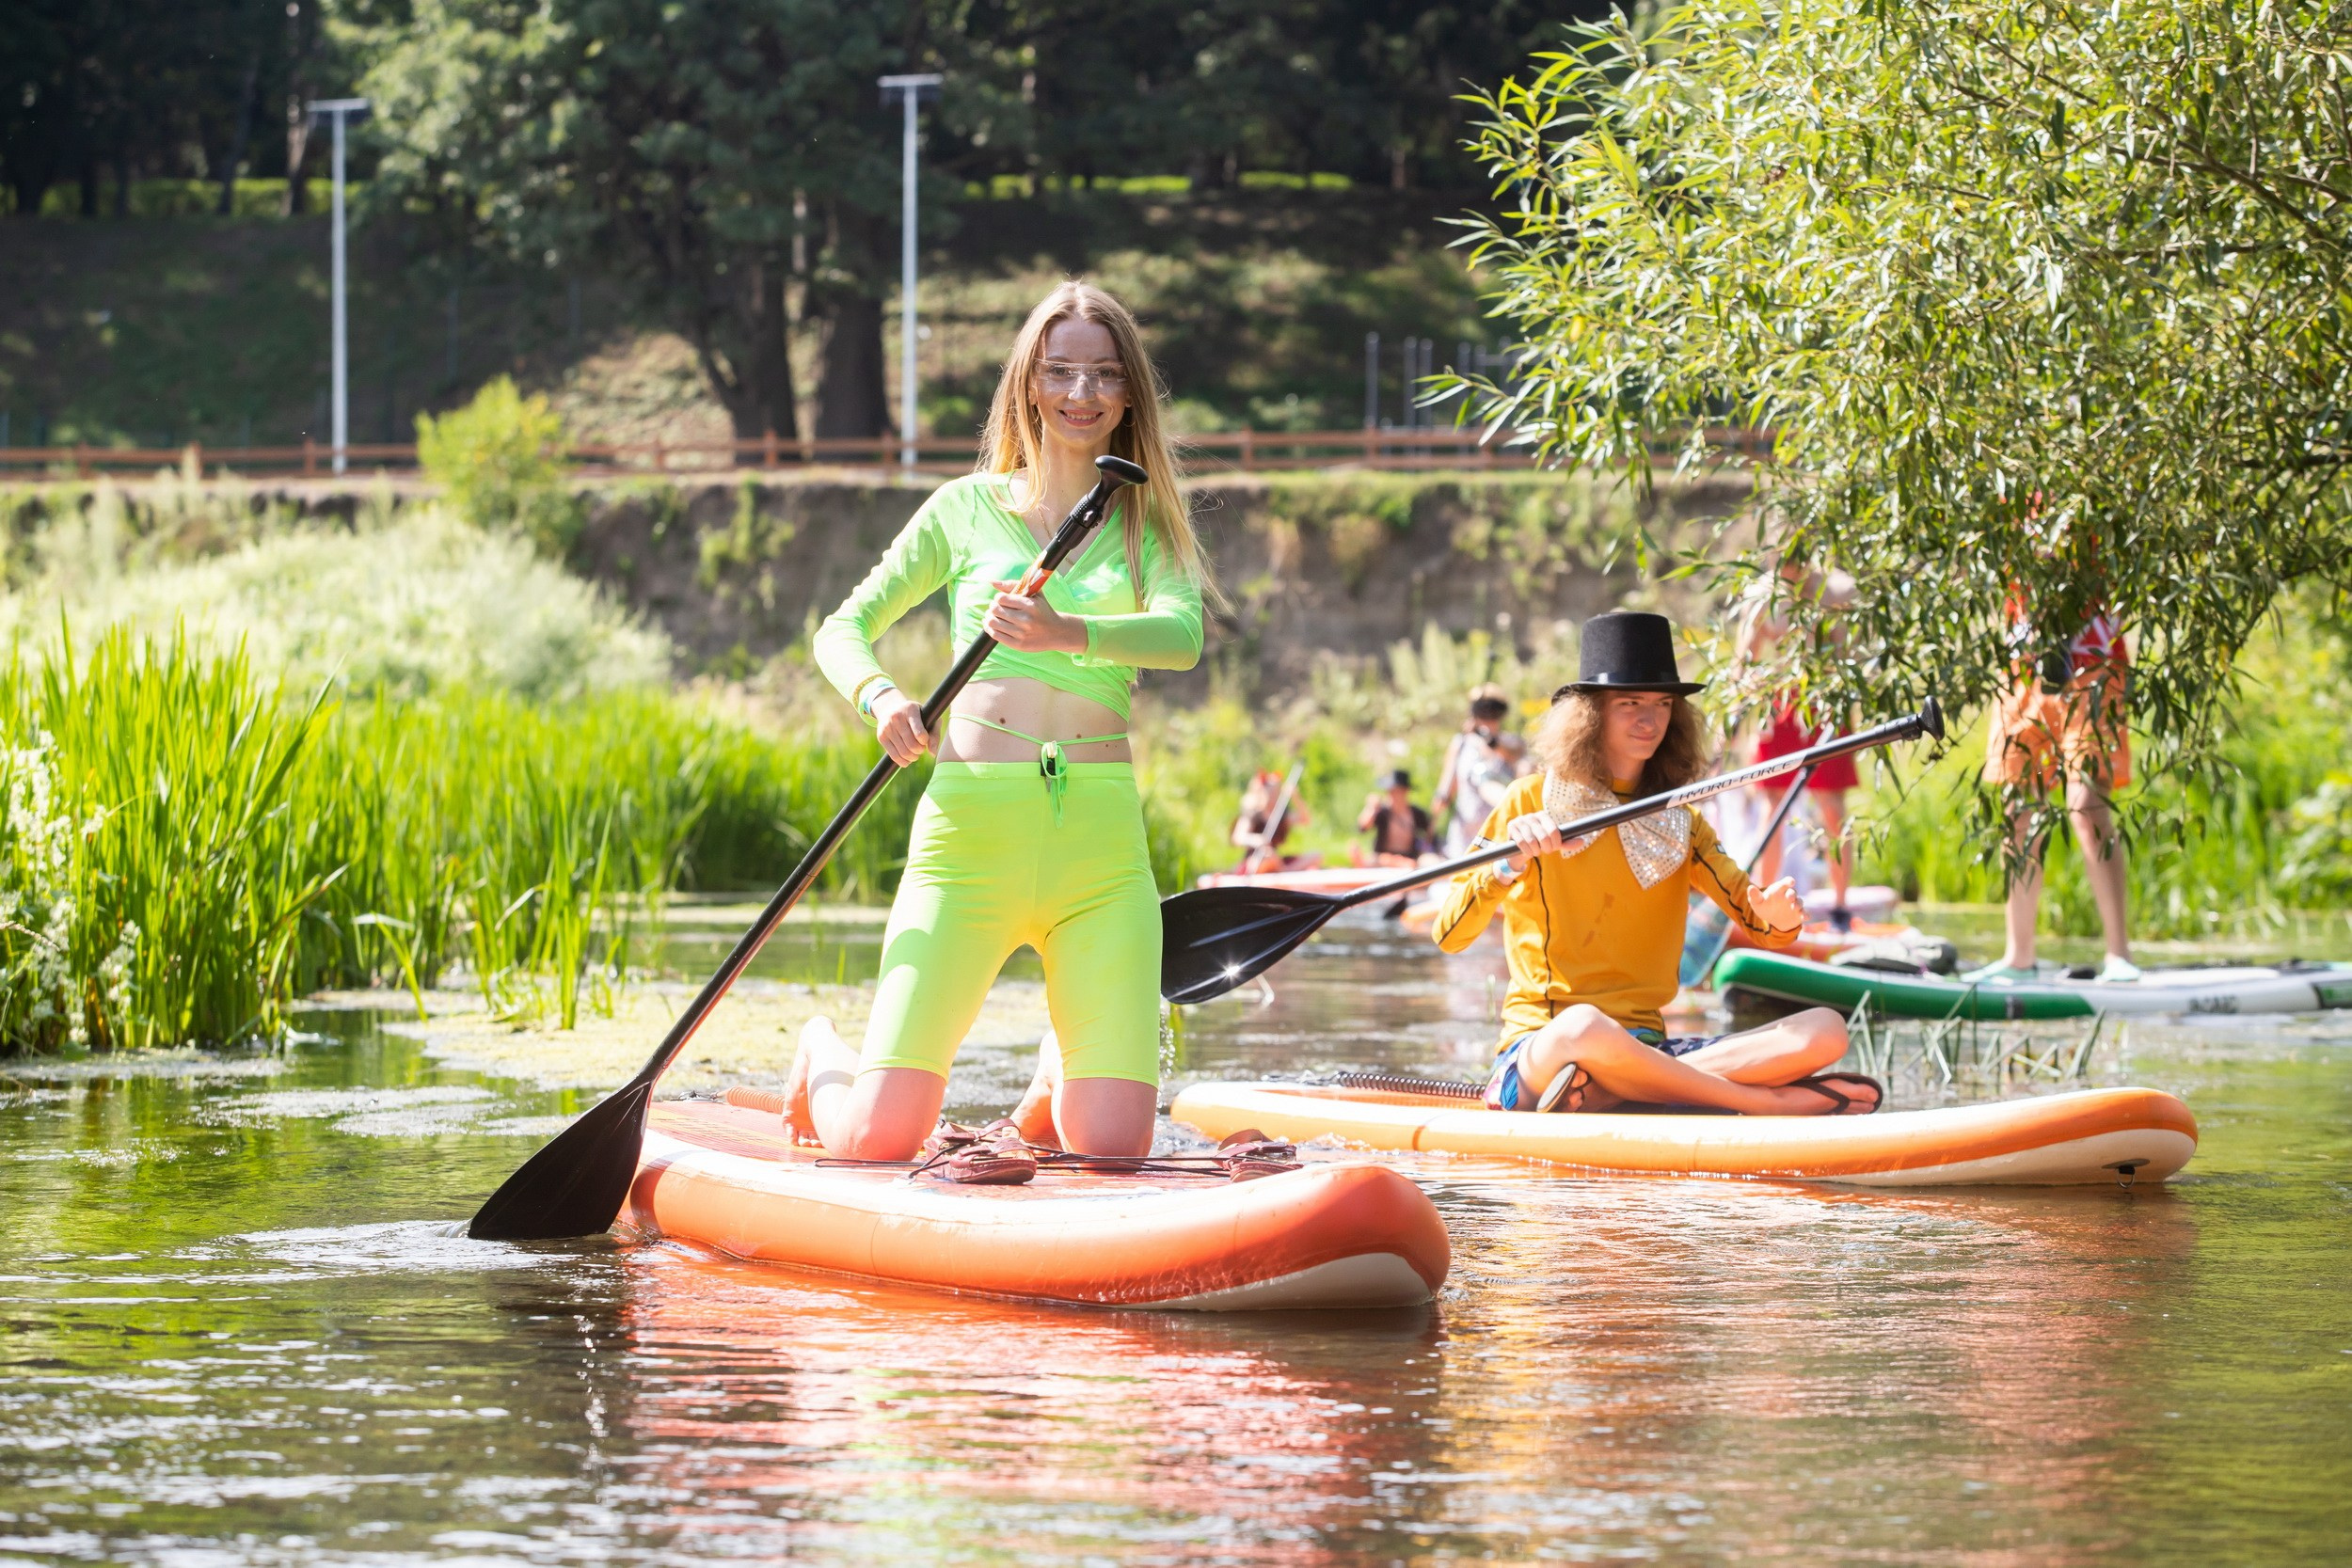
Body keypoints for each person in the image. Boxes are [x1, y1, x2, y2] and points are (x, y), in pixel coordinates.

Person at [785, 281, 1214, 1161]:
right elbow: (842, 629)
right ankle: (821, 1053)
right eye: (1061, 371)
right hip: (969, 840)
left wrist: (1066, 631)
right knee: (876, 1139)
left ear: (1130, 392)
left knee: (1113, 1148)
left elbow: (1183, 636)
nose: (1083, 393)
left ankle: (1063, 1067)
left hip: (1099, 851)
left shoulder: (1146, 521)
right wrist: (883, 698)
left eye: (1105, 374)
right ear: (1029, 383)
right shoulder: (965, 508)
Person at [1429, 610, 1882, 1117]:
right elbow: (1450, 934)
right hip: (1546, 1049)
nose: (1650, 720)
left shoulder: (1682, 820)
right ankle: (1760, 1102)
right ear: (1589, 714)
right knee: (1584, 1026)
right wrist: (1506, 866)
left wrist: (1779, 917)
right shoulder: (1528, 801)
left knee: (1824, 1030)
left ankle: (1618, 1091)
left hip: (1649, 1050)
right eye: (1630, 704)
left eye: (1663, 704)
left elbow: (1764, 927)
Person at [1963, 580, 2137, 983]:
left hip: (2093, 662)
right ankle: (2019, 957)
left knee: (2087, 807)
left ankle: (2119, 954)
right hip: (2024, 666)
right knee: (2018, 811)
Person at [1740, 560, 1859, 926]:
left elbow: (1851, 656)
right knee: (1772, 806)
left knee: (1831, 806)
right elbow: (1745, 660)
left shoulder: (1838, 590)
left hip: (1825, 703)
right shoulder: (1763, 594)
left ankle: (1841, 907)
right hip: (1781, 705)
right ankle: (1762, 902)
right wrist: (1744, 701)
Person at [1431, 685, 1519, 856]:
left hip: (1499, 834)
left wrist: (1487, 738)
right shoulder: (1461, 744)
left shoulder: (1510, 743)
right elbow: (1446, 788)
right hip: (1465, 838)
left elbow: (1514, 755)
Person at [1229, 768, 1316, 874]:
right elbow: (1238, 837)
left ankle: (1285, 871)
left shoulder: (1280, 814)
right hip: (1257, 860)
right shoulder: (1254, 813)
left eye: (1276, 792)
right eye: (1271, 792)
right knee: (1268, 856)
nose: (1274, 795)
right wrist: (1256, 840)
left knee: (1315, 856)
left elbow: (1305, 820)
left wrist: (1295, 797)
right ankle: (1284, 871)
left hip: (1277, 861)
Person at [1356, 768, 1437, 867]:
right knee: (1371, 860)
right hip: (1383, 858)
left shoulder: (1416, 814)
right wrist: (1371, 808)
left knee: (1430, 860)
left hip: (1409, 859)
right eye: (1391, 791)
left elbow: (1432, 834)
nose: (1393, 795)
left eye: (1397, 791)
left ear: (1405, 791)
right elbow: (1362, 828)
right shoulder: (1382, 812)